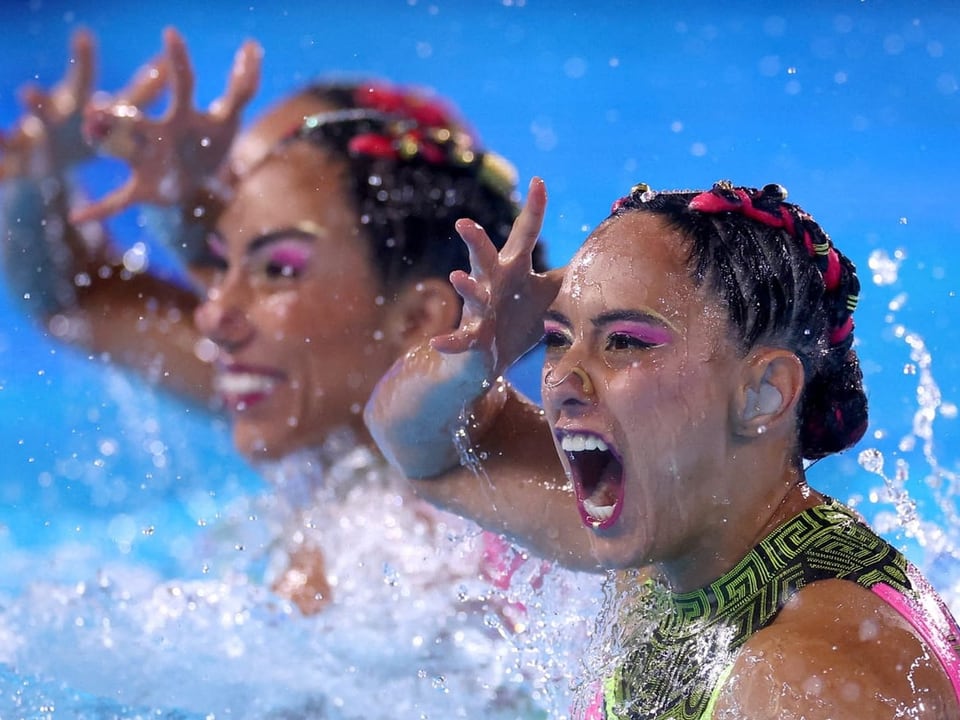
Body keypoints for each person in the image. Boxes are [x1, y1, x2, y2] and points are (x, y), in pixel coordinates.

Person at [2, 28, 588, 718]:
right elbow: (76, 299)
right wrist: (32, 173)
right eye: (224, 245)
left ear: (413, 315)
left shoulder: (475, 542)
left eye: (277, 263)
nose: (215, 311)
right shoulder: (312, 411)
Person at [364, 177, 960, 718]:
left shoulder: (806, 678)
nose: (563, 381)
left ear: (763, 393)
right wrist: (481, 354)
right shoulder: (677, 538)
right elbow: (431, 452)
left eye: (623, 341)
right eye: (557, 338)